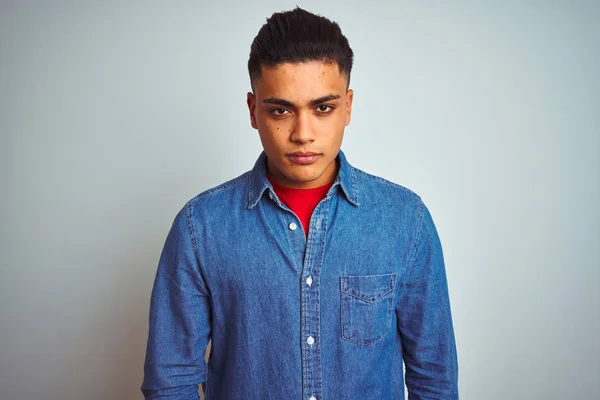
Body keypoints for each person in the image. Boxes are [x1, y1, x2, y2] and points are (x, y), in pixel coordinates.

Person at [141, 7, 458, 400]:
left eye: (322, 108)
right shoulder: (199, 227)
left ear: (348, 107)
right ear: (252, 110)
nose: (302, 133)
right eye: (280, 110)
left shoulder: (405, 220)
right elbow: (170, 382)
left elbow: (435, 379)